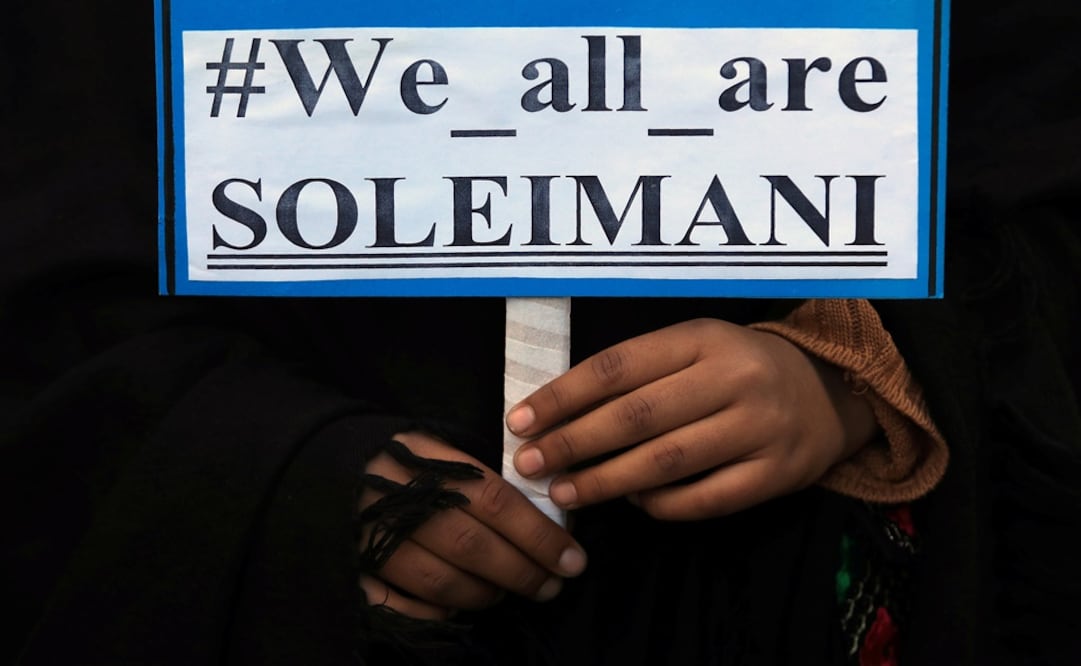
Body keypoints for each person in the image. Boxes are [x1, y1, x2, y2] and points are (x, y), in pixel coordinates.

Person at [2, 0, 1079, 664]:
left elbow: (1033, 158)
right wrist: (281, 480)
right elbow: (50, 241)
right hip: (303, 603)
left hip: (772, 586)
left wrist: (850, 372)